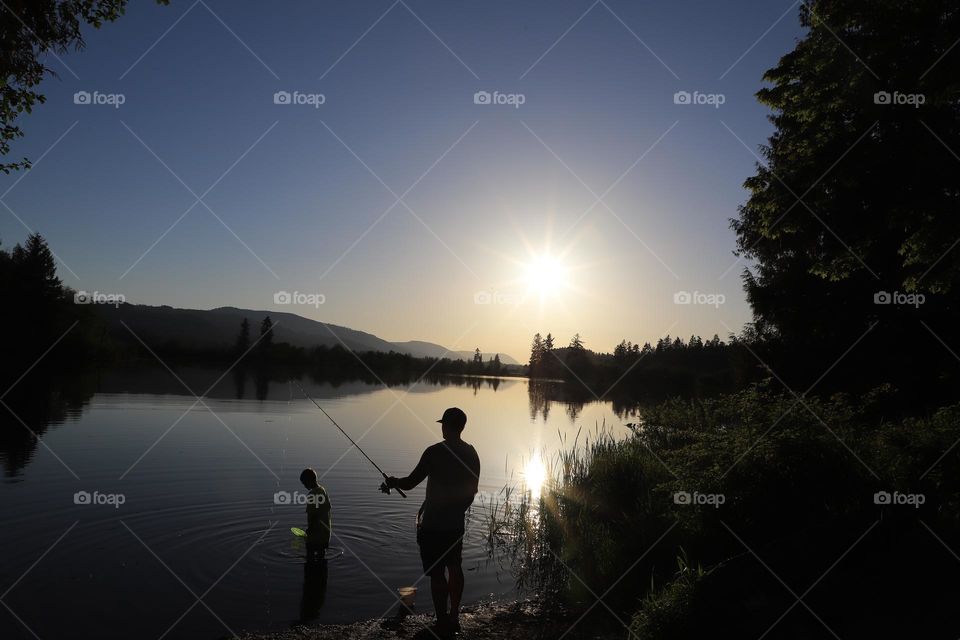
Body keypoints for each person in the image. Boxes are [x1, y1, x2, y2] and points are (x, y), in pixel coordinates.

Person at [383, 407, 481, 635]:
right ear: (462, 427)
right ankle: (454, 615)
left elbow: (409, 483)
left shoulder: (434, 452)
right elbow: (473, 490)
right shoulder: (472, 453)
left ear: (446, 426)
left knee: (437, 574)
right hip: (455, 524)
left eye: (443, 425)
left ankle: (442, 620)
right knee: (455, 567)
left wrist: (393, 481)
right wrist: (458, 510)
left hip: (433, 525)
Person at [300, 468, 332, 562]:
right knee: (321, 556)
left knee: (310, 555)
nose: (304, 486)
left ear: (308, 481)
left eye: (304, 483)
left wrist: (309, 530)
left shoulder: (312, 494)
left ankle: (311, 572)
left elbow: (313, 516)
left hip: (315, 535)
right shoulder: (323, 490)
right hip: (325, 533)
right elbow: (327, 509)